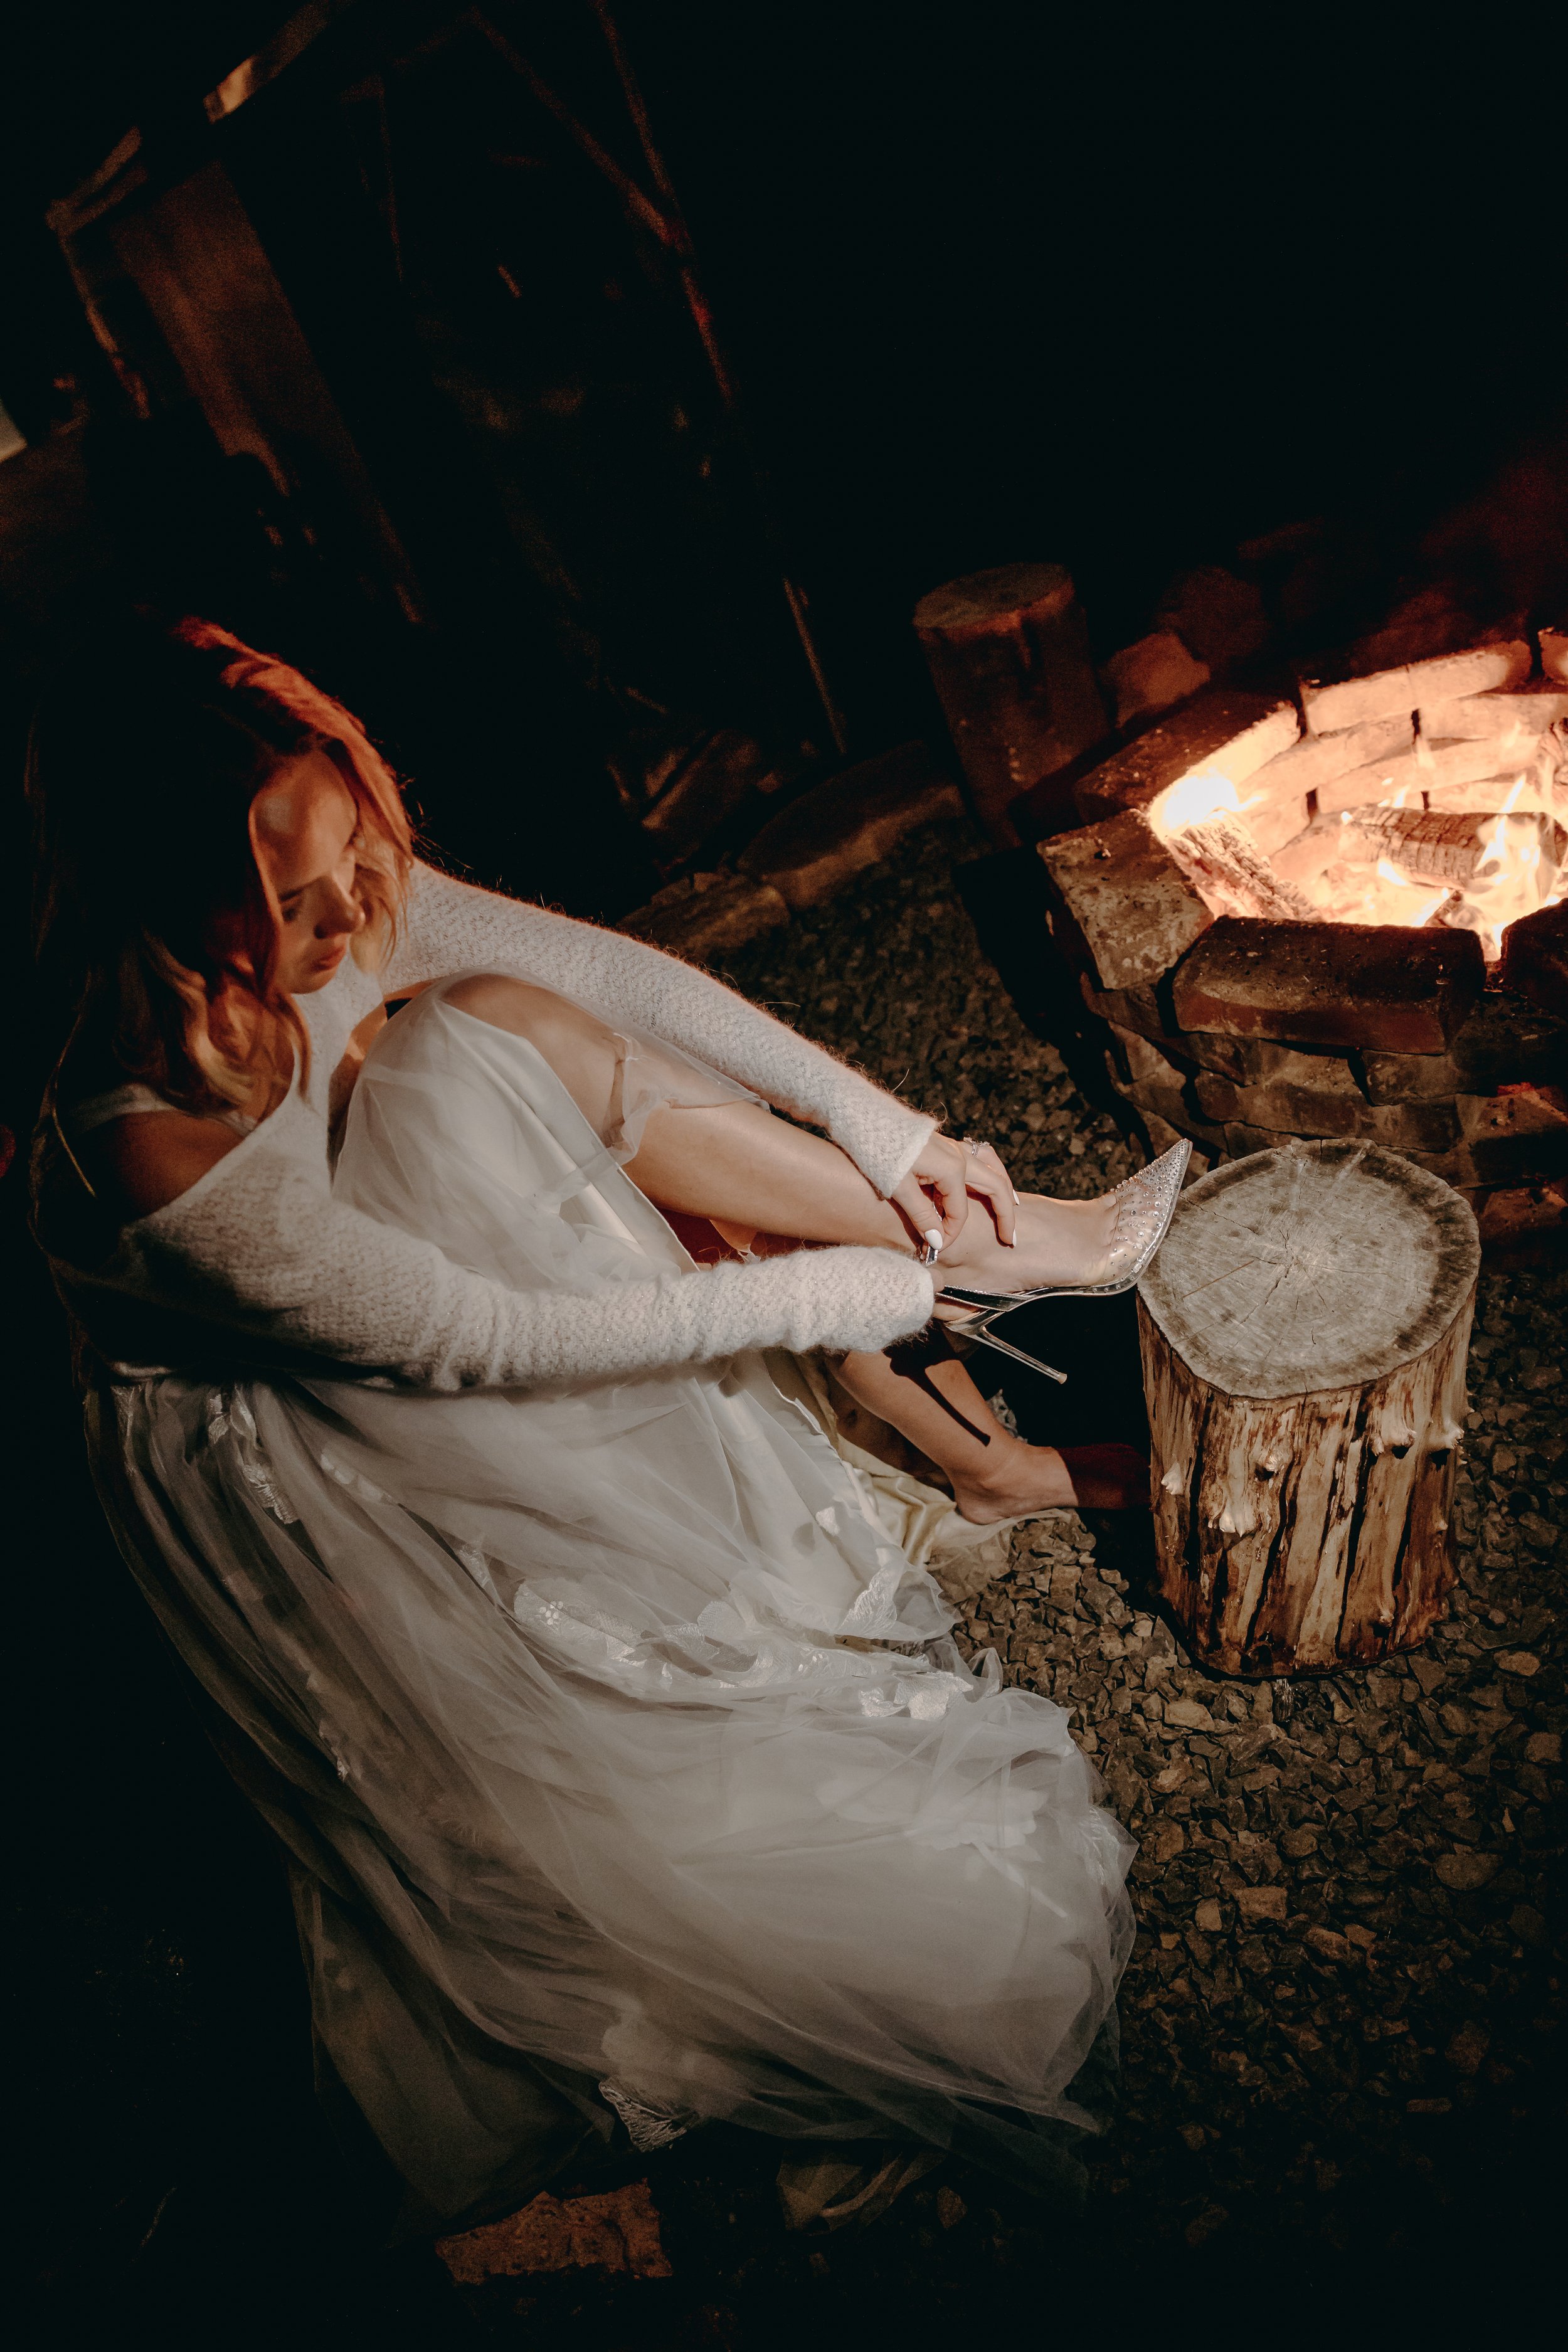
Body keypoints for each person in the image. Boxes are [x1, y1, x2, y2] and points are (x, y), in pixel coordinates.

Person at [29, 616, 1176, 2228]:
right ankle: (964, 1293)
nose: (351, 912)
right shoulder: (146, 1140)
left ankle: (975, 1283)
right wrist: (817, 1294)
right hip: (297, 1442)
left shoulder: (328, 885)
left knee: (497, 1016)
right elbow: (477, 1346)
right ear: (167, 902)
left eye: (358, 853)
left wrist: (881, 1119)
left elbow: (603, 973)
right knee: (940, 1928)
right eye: (294, 900)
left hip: (403, 1301)